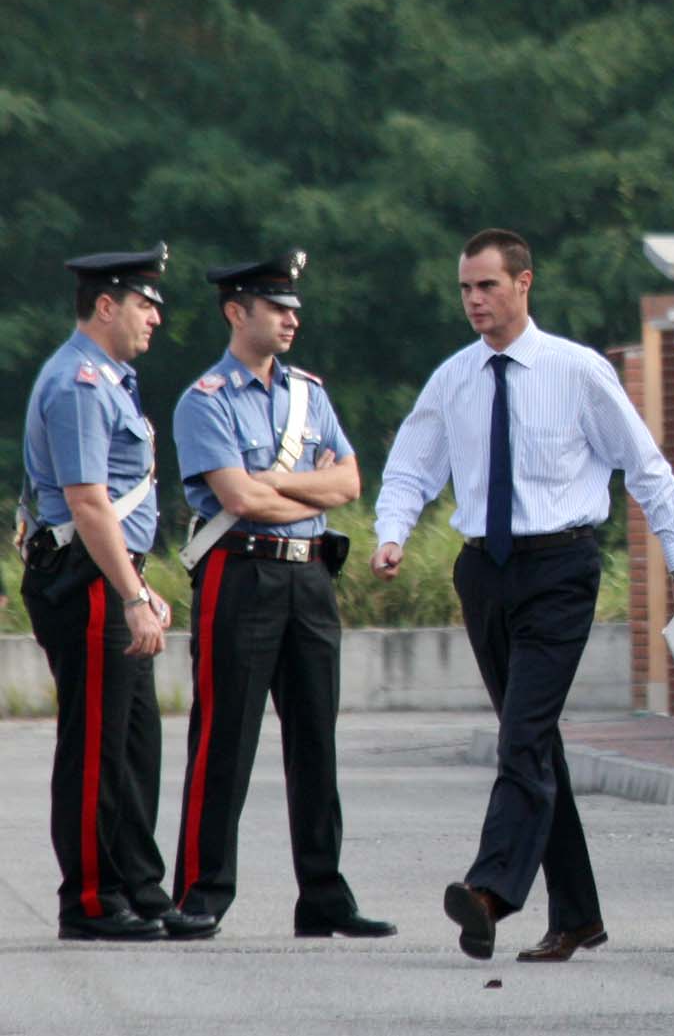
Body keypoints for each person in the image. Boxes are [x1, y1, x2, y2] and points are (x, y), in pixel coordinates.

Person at [370, 228, 674, 963]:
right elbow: (409, 467)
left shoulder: (577, 371)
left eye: (487, 285)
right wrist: (391, 532)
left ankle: (489, 892)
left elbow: (644, 467)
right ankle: (579, 914)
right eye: (465, 288)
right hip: (483, 574)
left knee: (521, 735)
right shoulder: (454, 378)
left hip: (559, 568)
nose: (474, 300)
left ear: (524, 283)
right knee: (537, 742)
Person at [160, 252, 395, 942]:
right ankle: (201, 891)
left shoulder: (310, 394)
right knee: (224, 736)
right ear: (238, 311)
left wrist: (274, 486)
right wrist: (293, 488)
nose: (292, 316)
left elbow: (349, 482)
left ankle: (323, 894)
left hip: (310, 575)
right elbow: (238, 499)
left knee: (315, 737)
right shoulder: (205, 399)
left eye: (294, 306)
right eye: (276, 306)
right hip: (241, 573)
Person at [17, 245, 176, 940]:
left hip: (112, 572)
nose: (156, 318)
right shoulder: (81, 382)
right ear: (105, 305)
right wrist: (133, 593)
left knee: (136, 739)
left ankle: (138, 883)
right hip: (87, 577)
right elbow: (87, 502)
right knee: (96, 744)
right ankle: (87, 896)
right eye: (145, 304)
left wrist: (140, 584)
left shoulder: (111, 379)